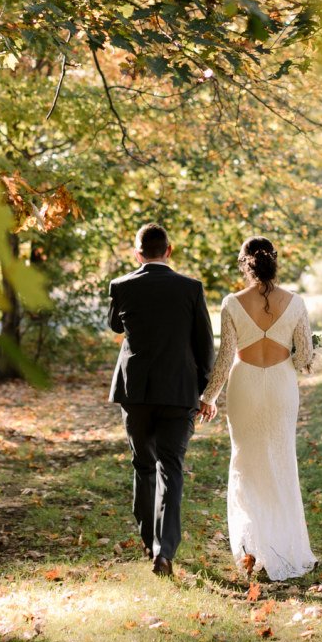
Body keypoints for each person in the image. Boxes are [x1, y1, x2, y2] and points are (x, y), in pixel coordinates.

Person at [199, 236, 317, 581]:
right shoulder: (295, 303)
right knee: (281, 460)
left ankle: (253, 548)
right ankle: (284, 545)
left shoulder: (231, 303)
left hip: (245, 386)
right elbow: (305, 357)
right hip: (280, 385)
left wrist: (207, 398)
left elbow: (224, 359)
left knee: (246, 461)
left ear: (244, 264)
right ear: (273, 262)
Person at [108, 223, 215, 576]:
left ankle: (146, 539)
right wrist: (206, 392)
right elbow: (204, 344)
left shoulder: (121, 286)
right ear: (169, 250)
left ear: (137, 253)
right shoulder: (191, 288)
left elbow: (115, 326)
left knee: (143, 464)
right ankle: (164, 550)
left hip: (136, 391)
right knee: (171, 467)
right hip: (179, 391)